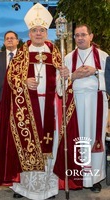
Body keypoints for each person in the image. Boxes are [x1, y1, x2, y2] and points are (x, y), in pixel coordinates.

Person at [0, 3, 69, 199]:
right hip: (26, 108)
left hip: (49, 108)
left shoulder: (55, 52)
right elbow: (10, 79)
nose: (38, 33)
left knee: (48, 146)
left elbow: (63, 84)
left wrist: (64, 76)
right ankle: (23, 188)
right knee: (26, 144)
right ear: (29, 32)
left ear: (46, 32)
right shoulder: (21, 53)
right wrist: (23, 81)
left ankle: (48, 188)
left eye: (42, 30)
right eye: (35, 30)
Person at [54, 24, 109, 193]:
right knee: (79, 140)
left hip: (96, 100)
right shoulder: (68, 58)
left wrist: (96, 71)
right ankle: (78, 177)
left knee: (95, 139)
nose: (80, 38)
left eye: (83, 34)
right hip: (75, 103)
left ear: (91, 36)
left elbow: (109, 79)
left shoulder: (104, 56)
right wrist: (72, 75)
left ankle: (94, 179)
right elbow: (59, 84)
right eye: (77, 35)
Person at [0, 30, 19, 102]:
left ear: (17, 41)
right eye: (7, 39)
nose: (9, 40)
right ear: (4, 42)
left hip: (19, 95)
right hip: (0, 96)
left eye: (12, 38)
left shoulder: (24, 56)